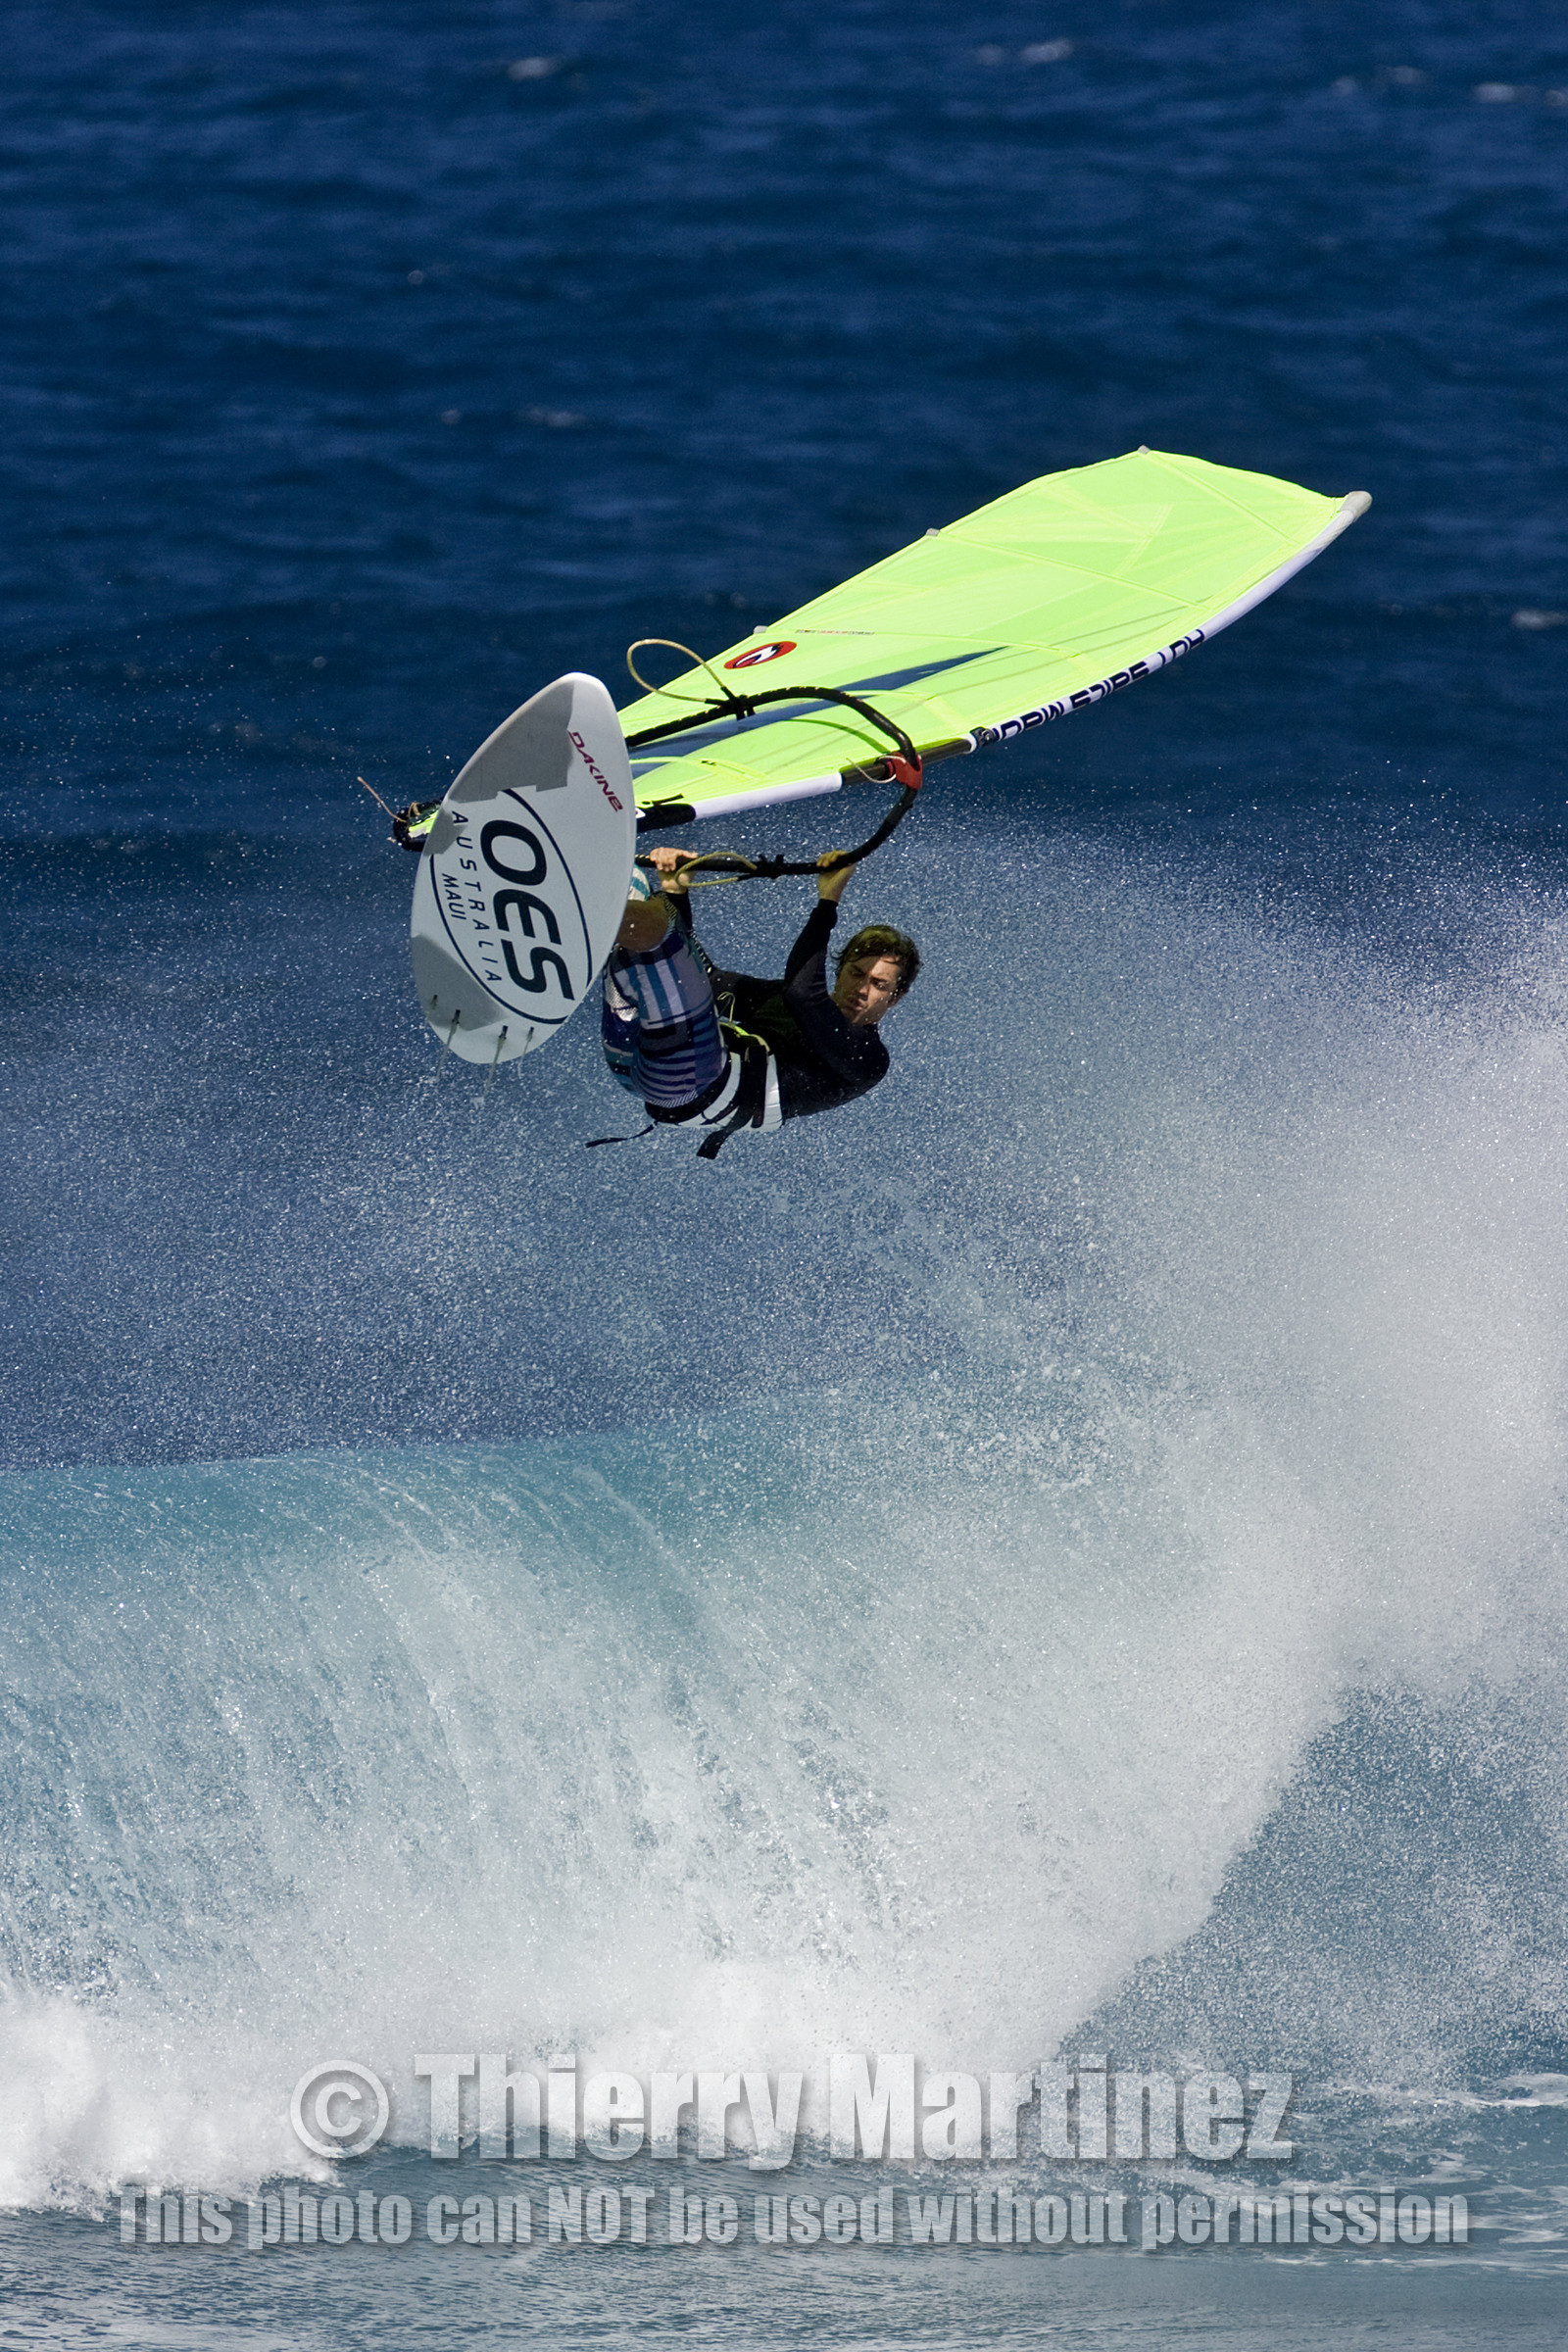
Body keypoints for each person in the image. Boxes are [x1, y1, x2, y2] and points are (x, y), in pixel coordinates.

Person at [599, 847, 919, 1156]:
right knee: (634, 884)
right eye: (856, 973)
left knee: (657, 929)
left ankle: (573, 915)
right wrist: (675, 893)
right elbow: (705, 982)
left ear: (896, 996)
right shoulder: (778, 999)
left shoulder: (867, 1059)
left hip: (687, 1083)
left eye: (879, 984)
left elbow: (804, 995)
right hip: (632, 1060)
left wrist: (828, 900)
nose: (862, 989)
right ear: (839, 971)